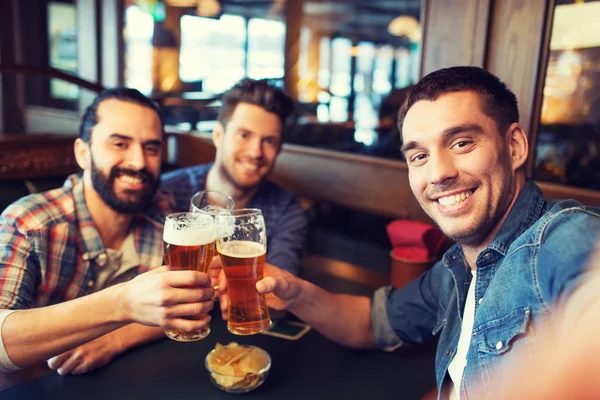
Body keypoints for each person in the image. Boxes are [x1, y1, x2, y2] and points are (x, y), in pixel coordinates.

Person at [217, 67, 600, 399]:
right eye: (419, 156)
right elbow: (370, 322)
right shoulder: (456, 269)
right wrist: (295, 291)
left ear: (514, 146)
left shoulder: (564, 236)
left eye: (461, 143)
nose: (438, 173)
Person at [0, 88, 216, 382]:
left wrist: (117, 339)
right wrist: (122, 303)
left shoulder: (165, 216)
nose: (139, 162)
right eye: (119, 143)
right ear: (83, 153)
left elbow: (179, 305)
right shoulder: (28, 223)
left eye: (151, 148)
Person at [162, 78, 308, 275]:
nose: (256, 152)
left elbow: (282, 286)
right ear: (218, 135)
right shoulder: (167, 191)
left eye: (269, 141)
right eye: (244, 135)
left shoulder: (286, 210)